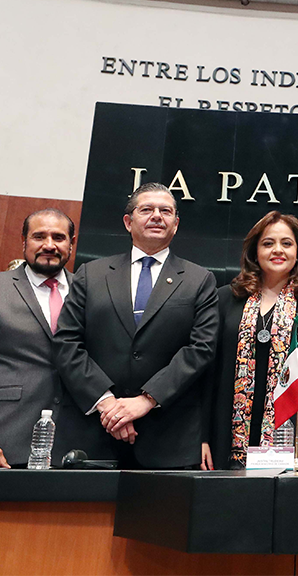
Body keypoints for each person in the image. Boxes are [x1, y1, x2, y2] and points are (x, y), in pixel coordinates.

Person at [54, 182, 218, 469]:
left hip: (168, 436)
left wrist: (145, 400)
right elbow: (67, 343)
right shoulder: (90, 274)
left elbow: (200, 349)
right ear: (128, 222)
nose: (157, 216)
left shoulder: (199, 280)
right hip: (94, 429)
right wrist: (108, 405)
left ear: (176, 224)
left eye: (165, 211)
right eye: (147, 209)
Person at [0, 209, 109, 468]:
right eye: (39, 236)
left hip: (79, 448)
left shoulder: (96, 294)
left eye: (59, 237)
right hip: (5, 442)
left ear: (71, 244)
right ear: (24, 241)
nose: (49, 245)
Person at [203, 211, 298, 470]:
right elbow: (208, 374)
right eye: (268, 243)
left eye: (287, 243)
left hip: (292, 436)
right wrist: (202, 438)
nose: (278, 250)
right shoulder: (225, 299)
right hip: (225, 434)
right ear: (254, 252)